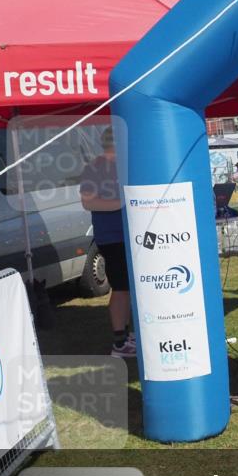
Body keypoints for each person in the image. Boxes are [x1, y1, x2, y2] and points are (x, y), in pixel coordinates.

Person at [80, 127, 135, 358]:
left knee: (131, 288)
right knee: (121, 288)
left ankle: (130, 335)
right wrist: (122, 202)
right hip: (112, 238)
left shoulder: (127, 165)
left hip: (132, 236)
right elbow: (88, 202)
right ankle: (119, 343)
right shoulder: (94, 168)